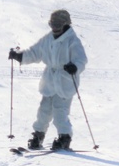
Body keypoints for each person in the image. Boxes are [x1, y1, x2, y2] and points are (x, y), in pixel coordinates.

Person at [8, 9, 88, 150]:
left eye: (58, 24)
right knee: (44, 110)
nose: (55, 28)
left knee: (60, 111)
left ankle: (64, 137)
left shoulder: (72, 40)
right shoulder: (48, 39)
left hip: (65, 81)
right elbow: (35, 52)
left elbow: (81, 59)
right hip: (50, 80)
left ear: (65, 24)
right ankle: (38, 135)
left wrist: (74, 67)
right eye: (52, 24)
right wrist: (19, 56)